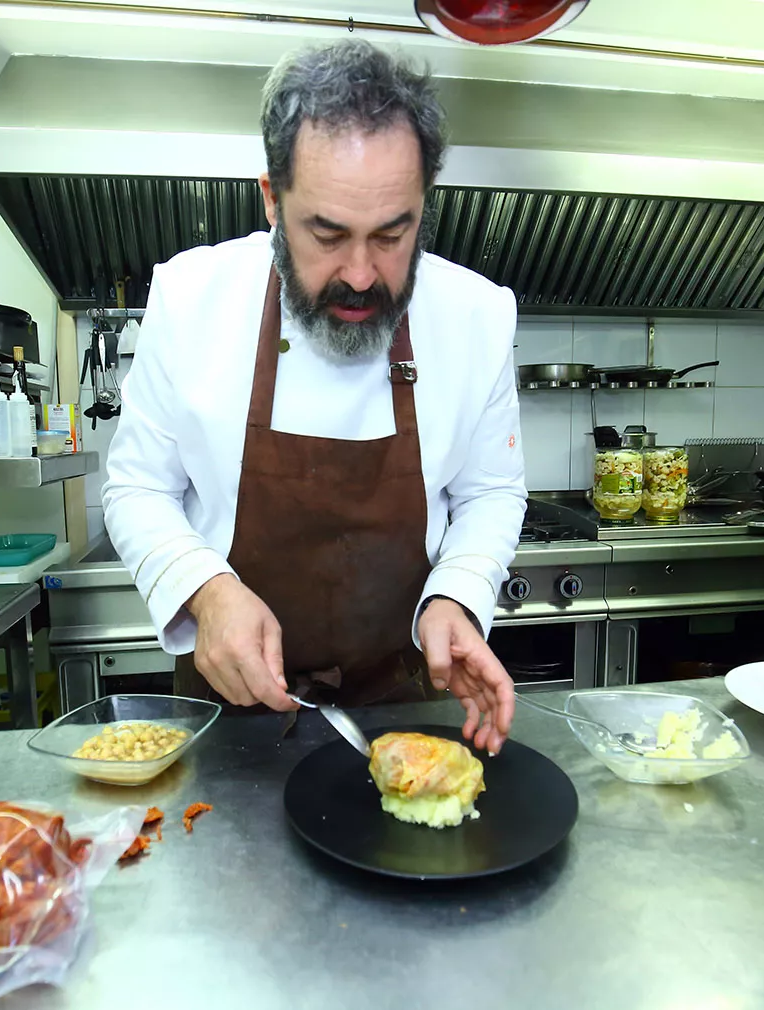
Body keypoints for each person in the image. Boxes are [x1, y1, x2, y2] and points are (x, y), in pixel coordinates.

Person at [102, 39, 526, 754]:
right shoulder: (191, 297)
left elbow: (491, 493)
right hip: (228, 713)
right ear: (272, 199)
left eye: (394, 234)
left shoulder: (478, 316)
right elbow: (137, 485)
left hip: (408, 713)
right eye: (327, 234)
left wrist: (457, 593)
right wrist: (207, 591)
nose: (361, 275)